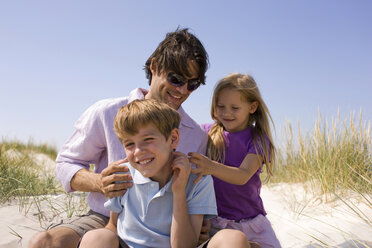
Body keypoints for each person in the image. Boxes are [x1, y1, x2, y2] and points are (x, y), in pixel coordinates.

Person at [29, 28, 211, 248]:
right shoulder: (107, 111)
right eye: (175, 78)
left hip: (167, 228)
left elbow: (199, 194)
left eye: (192, 84)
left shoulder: (197, 135)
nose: (182, 90)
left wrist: (200, 225)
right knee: (42, 243)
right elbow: (66, 163)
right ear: (154, 66)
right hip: (105, 218)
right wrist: (100, 183)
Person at [79, 99, 252, 248]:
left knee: (233, 238)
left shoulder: (197, 180)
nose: (138, 151)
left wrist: (178, 191)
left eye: (148, 140)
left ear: (173, 139)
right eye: (129, 144)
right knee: (96, 237)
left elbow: (185, 245)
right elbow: (113, 226)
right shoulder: (123, 176)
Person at [189, 73, 282, 248]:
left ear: (252, 107)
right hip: (216, 224)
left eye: (235, 108)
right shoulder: (205, 133)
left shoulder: (258, 139)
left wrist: (211, 166)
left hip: (252, 223)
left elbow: (243, 175)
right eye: (221, 106)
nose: (226, 113)